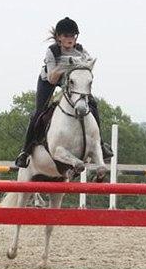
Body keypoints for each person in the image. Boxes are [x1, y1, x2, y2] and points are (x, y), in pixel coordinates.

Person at [14, 17, 113, 168]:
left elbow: (87, 67)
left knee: (93, 104)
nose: (70, 39)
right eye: (66, 36)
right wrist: (65, 66)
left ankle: (100, 143)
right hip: (49, 80)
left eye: (72, 36)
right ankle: (25, 151)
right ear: (59, 37)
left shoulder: (80, 50)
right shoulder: (52, 51)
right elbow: (53, 79)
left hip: (72, 82)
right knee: (39, 112)